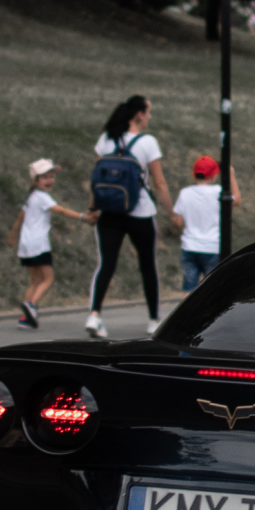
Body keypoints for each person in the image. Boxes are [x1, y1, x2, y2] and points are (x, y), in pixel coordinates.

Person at [88, 95, 173, 338]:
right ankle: (154, 320)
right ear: (139, 115)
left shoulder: (106, 139)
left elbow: (97, 178)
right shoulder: (148, 142)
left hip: (109, 213)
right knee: (147, 265)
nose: (150, 117)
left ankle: (94, 316)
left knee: (106, 264)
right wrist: (172, 212)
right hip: (140, 213)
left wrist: (92, 208)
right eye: (149, 112)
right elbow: (159, 182)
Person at [14, 159, 94, 328]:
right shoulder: (42, 197)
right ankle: (31, 305)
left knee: (35, 281)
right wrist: (83, 217)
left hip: (26, 245)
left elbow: (20, 217)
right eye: (45, 178)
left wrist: (12, 235)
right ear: (35, 181)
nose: (50, 180)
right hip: (38, 244)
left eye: (51, 177)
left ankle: (25, 318)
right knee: (48, 279)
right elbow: (61, 211)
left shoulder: (30, 197)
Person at [173, 155, 240, 290]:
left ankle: (189, 311)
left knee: (189, 288)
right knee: (212, 288)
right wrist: (231, 175)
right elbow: (236, 200)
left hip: (189, 246)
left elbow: (178, 222)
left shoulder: (185, 193)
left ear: (194, 174)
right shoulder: (219, 192)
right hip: (212, 247)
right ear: (214, 175)